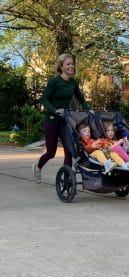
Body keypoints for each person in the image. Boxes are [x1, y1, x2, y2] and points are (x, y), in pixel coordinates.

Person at [32, 53, 91, 183]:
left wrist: (88, 108)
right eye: (68, 64)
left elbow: (81, 99)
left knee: (69, 150)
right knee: (51, 152)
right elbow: (44, 99)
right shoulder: (54, 82)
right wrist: (54, 110)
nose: (71, 66)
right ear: (61, 67)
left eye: (72, 64)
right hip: (52, 120)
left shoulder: (73, 82)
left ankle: (67, 179)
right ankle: (38, 167)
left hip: (65, 121)